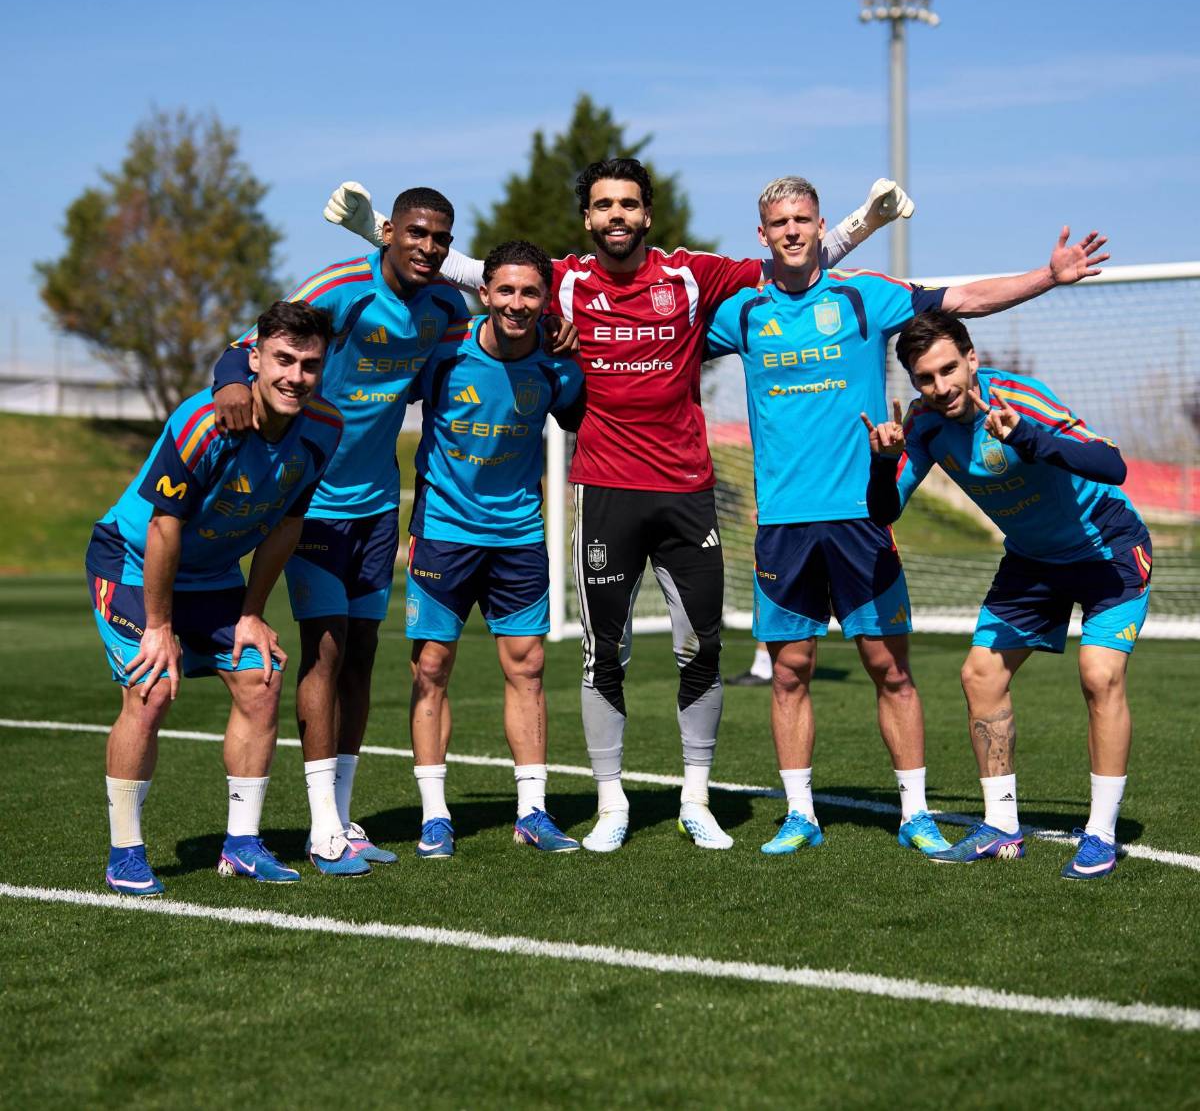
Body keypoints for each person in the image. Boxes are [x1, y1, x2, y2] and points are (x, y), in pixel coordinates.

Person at [325, 169, 910, 852]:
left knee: (702, 648)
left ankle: (696, 801)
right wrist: (376, 232)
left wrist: (862, 224)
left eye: (628, 203)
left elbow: (791, 259)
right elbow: (478, 274)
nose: (617, 213)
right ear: (588, 219)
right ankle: (610, 804)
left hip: (687, 491)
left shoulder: (691, 275)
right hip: (603, 491)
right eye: (604, 204)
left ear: (647, 214)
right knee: (603, 653)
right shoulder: (560, 284)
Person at [705, 175, 1109, 858]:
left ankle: (915, 813)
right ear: (762, 235)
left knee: (890, 669)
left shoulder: (864, 295)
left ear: (822, 225)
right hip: (783, 522)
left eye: (803, 219)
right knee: (789, 671)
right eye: (779, 223)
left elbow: (963, 300)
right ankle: (799, 814)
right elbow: (658, 349)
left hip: (863, 517)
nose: (792, 231)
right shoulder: (741, 312)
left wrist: (1047, 276)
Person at [212, 189, 471, 875]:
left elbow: (458, 372)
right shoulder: (340, 288)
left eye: (441, 238)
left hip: (378, 504)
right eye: (416, 232)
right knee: (323, 653)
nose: (428, 247)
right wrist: (229, 385)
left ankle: (342, 818)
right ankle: (322, 824)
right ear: (390, 232)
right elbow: (249, 347)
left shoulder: (447, 307)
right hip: (313, 502)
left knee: (360, 657)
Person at [864, 309, 1149, 879]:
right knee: (980, 676)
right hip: (1032, 561)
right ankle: (1001, 827)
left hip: (1106, 547)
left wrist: (1027, 437)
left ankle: (1100, 835)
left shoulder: (1019, 396)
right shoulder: (922, 423)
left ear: (971, 359)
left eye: (949, 369)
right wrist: (882, 463)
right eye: (926, 378)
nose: (941, 386)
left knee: (1099, 675)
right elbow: (885, 511)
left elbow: (1111, 464)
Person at [89, 300, 340, 895]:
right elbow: (163, 527)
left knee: (261, 678)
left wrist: (252, 613)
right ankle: (125, 852)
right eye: (283, 360)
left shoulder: (326, 428)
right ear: (255, 359)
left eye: (309, 365)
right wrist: (159, 626)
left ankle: (242, 846)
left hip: (212, 572)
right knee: (150, 688)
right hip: (133, 563)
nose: (295, 377)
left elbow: (287, 525)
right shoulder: (204, 422)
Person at [404, 240, 586, 857]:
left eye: (529, 292)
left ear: (545, 300)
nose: (516, 302)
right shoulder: (443, 352)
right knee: (431, 668)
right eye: (505, 290)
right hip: (443, 533)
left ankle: (533, 811)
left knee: (527, 668)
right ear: (484, 293)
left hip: (518, 536)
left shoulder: (559, 367)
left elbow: (588, 421)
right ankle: (435, 816)